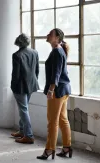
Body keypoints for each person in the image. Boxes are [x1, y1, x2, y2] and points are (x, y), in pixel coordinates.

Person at [37, 28, 72, 160]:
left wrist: (51, 90)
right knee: (63, 120)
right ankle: (67, 147)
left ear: (57, 38)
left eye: (50, 34)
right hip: (65, 89)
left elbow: (56, 73)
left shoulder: (57, 51)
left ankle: (49, 149)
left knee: (53, 121)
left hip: (57, 91)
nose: (47, 35)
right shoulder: (59, 50)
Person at [10, 33, 39, 144]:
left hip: (21, 86)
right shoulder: (35, 52)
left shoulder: (17, 55)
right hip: (32, 84)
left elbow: (15, 74)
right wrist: (34, 81)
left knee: (23, 110)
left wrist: (13, 86)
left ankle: (29, 135)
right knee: (24, 108)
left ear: (18, 42)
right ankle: (22, 131)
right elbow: (36, 70)